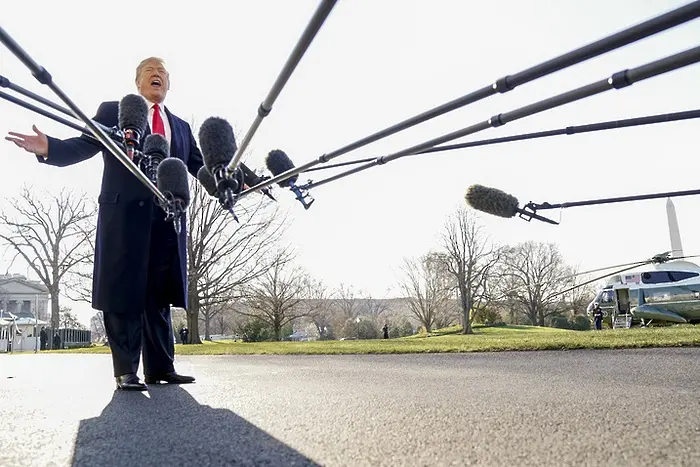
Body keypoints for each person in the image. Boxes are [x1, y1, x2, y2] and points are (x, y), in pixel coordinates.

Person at [5, 57, 202, 391]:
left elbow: (200, 166)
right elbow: (83, 144)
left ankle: (161, 367)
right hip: (124, 216)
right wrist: (49, 147)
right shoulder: (117, 113)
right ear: (137, 81)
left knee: (157, 296)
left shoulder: (180, 127)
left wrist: (237, 180)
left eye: (162, 72)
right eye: (149, 71)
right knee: (124, 291)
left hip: (166, 220)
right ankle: (126, 370)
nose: (157, 75)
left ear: (168, 84)